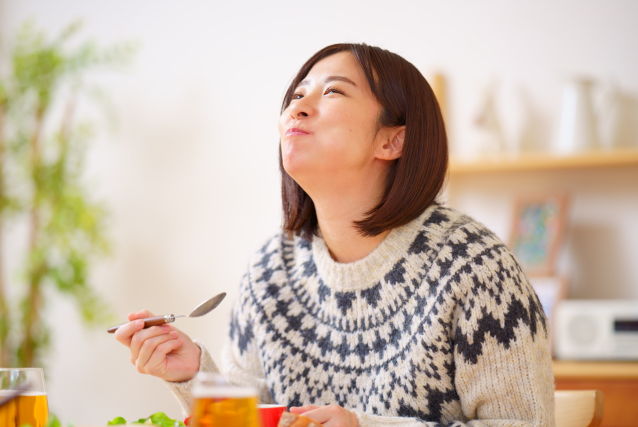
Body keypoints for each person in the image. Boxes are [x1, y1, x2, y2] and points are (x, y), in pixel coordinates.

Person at [114, 43, 555, 427]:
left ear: (392, 141)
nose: (298, 107)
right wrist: (193, 375)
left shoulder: (476, 268)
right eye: (297, 95)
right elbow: (254, 419)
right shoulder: (272, 268)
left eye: (333, 92)